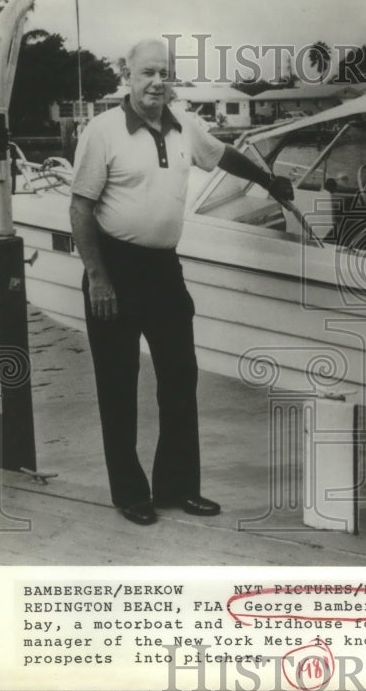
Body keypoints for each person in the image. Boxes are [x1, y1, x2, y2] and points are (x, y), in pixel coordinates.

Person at [69, 38, 293, 525]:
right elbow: (81, 208)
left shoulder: (183, 125)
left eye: (163, 72)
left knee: (179, 379)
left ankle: (177, 489)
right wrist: (98, 278)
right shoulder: (102, 131)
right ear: (127, 75)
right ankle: (130, 493)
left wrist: (269, 180)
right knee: (118, 384)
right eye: (146, 72)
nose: (156, 81)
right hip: (113, 269)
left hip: (163, 270)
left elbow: (224, 155)